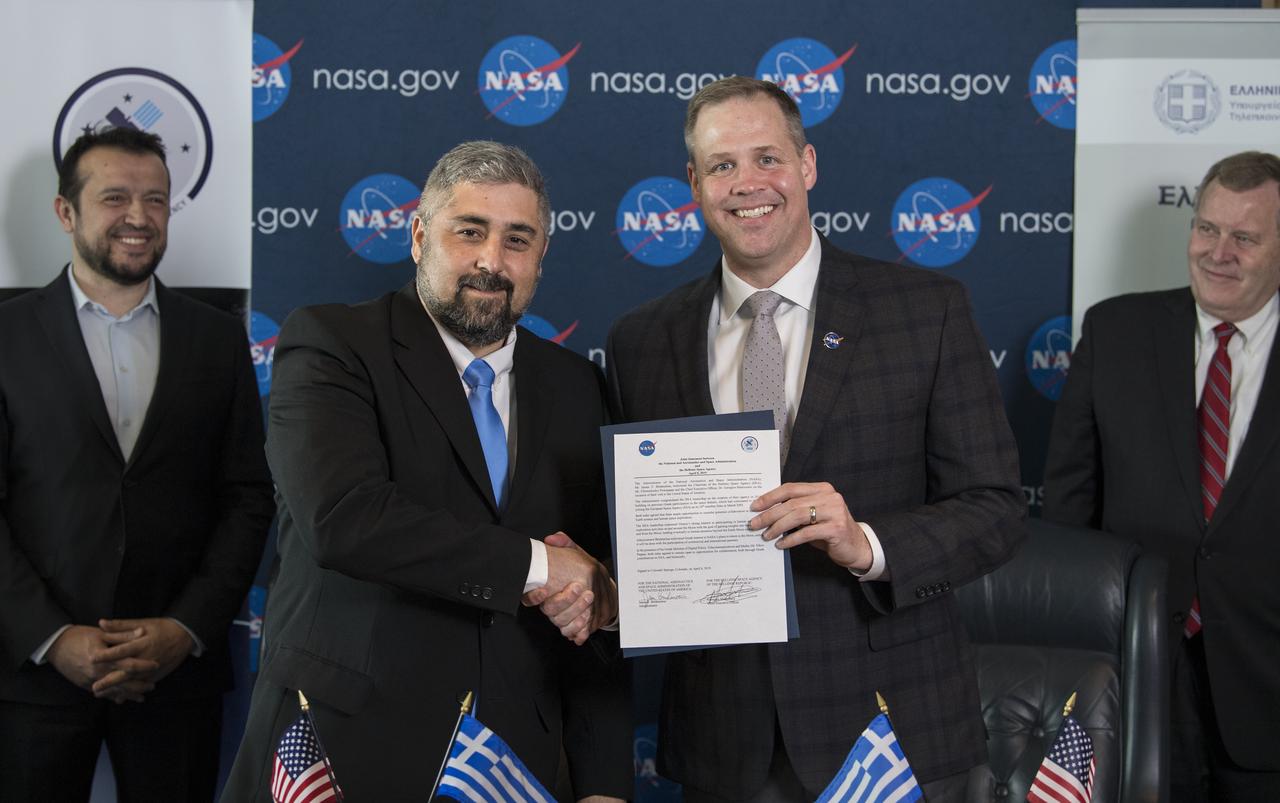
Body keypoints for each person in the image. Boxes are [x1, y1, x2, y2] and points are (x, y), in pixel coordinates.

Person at [605, 76, 1025, 801]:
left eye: (767, 158)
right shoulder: (643, 339)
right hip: (725, 740)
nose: (747, 184)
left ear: (807, 166)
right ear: (694, 184)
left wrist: (869, 544)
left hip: (892, 731)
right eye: (722, 166)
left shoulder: (925, 312)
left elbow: (995, 506)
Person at [222, 141, 631, 801]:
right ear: (418, 236)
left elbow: (588, 601)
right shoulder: (332, 344)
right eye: (469, 231)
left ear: (542, 258)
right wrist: (536, 564)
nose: (491, 261)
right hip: (347, 748)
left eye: (517, 240)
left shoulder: (577, 385)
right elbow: (344, 519)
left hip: (514, 764)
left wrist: (605, 783)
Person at [0, 127, 275, 801]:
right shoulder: (6, 335)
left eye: (156, 199)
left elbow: (247, 497)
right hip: (32, 680)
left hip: (175, 679)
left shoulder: (216, 338)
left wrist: (184, 629)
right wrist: (52, 636)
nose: (139, 216)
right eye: (115, 196)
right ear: (66, 212)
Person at [1044, 150, 1280, 801]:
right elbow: (1068, 512)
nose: (1217, 252)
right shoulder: (1117, 330)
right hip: (1135, 679)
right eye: (1206, 228)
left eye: (1245, 237)